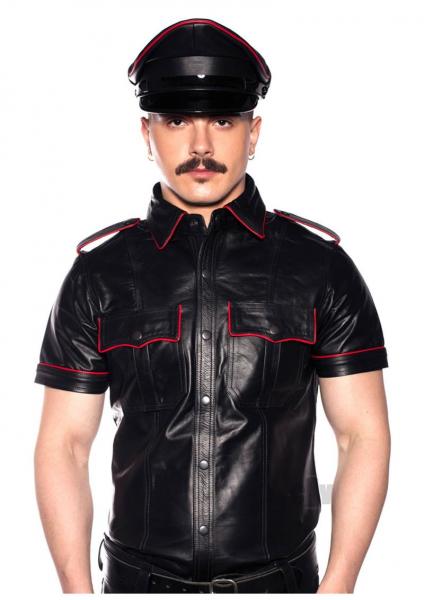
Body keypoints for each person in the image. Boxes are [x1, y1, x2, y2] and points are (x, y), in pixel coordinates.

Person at [33, 17, 390, 594]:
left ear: (253, 133)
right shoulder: (99, 274)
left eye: (223, 120)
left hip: (281, 585)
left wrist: (339, 586)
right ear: (147, 133)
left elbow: (362, 435)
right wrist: (76, 592)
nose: (200, 145)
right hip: (137, 584)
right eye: (177, 121)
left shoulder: (319, 268)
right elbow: (65, 446)